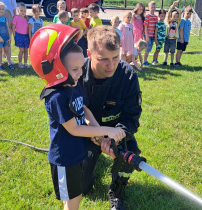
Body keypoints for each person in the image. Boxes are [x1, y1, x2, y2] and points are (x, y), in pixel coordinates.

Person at [29, 24, 126, 210]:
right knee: (73, 201)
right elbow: (74, 128)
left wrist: (97, 129)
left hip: (76, 154)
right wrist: (107, 130)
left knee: (75, 196)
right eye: (75, 69)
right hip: (65, 159)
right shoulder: (57, 97)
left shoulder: (72, 84)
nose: (81, 73)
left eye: (81, 67)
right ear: (54, 69)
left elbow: (84, 109)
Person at [80, 25, 142, 210]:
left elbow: (132, 116)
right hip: (86, 131)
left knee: (132, 152)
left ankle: (117, 189)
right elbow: (71, 112)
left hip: (116, 131)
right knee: (82, 188)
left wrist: (118, 135)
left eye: (116, 57)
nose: (111, 65)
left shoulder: (128, 75)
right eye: (103, 59)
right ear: (89, 54)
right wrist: (93, 133)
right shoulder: (76, 73)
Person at [0, 2, 14, 70]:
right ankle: (0, 64)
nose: (1, 10)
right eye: (0, 9)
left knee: (6, 51)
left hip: (6, 37)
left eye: (2, 9)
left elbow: (8, 29)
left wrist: (9, 38)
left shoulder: (5, 19)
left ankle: (9, 63)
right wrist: (0, 38)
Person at [162, 1, 181, 66]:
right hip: (168, 39)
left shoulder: (177, 23)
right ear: (171, 17)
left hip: (173, 40)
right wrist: (173, 5)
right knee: (166, 51)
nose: (175, 18)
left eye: (176, 17)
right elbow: (168, 13)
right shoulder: (169, 22)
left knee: (172, 52)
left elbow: (180, 14)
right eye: (173, 17)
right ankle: (165, 61)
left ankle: (171, 62)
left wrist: (176, 8)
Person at [12, 3, 30, 68]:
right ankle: (20, 63)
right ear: (18, 10)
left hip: (26, 36)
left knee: (26, 50)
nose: (23, 12)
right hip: (19, 36)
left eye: (24, 11)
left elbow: (29, 28)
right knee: (21, 50)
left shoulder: (27, 19)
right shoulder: (16, 18)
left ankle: (25, 63)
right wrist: (14, 35)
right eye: (21, 11)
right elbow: (13, 27)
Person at [142, 1, 158, 67]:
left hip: (152, 36)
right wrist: (147, 36)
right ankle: (144, 61)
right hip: (148, 35)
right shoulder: (147, 16)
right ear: (148, 8)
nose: (153, 8)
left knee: (150, 48)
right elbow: (145, 26)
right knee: (148, 48)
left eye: (154, 7)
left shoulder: (156, 17)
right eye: (152, 7)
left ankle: (147, 60)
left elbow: (156, 28)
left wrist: (155, 37)